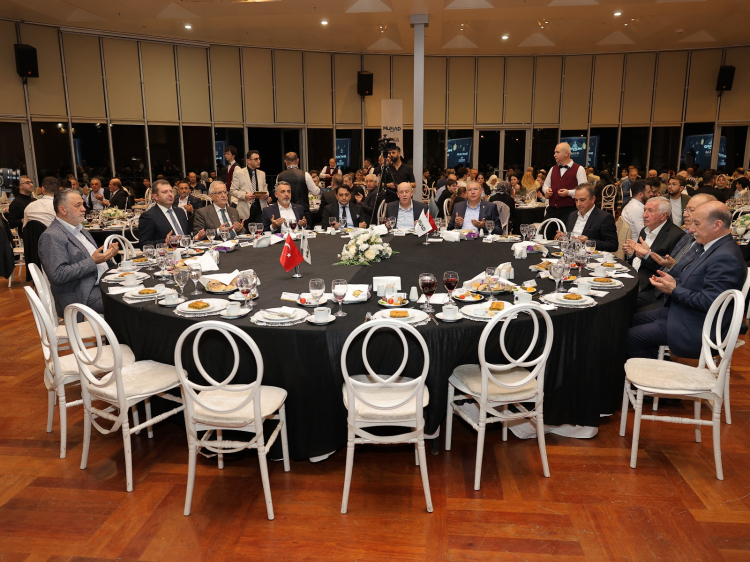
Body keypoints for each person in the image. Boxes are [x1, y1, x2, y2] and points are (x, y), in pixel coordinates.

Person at [627, 202, 747, 359]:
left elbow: (710, 301)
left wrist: (674, 289)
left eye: (697, 223)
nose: (691, 229)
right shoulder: (714, 247)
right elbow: (698, 283)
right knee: (628, 320)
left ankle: (653, 372)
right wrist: (674, 282)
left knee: (630, 337)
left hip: (696, 326)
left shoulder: (725, 257)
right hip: (684, 312)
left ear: (717, 225)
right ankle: (653, 361)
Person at [38, 189, 119, 316]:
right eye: (78, 205)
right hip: (81, 294)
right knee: (125, 305)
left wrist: (107, 256)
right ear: (63, 210)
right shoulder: (52, 236)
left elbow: (93, 259)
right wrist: (93, 261)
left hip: (101, 284)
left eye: (83, 204)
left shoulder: (80, 229)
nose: (84, 209)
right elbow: (57, 275)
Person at [636, 193, 715, 311]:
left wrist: (670, 266)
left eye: (691, 210)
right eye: (685, 210)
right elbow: (670, 261)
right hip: (660, 289)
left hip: (675, 298)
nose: (685, 214)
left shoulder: (705, 244)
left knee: (634, 315)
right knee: (624, 304)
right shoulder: (688, 236)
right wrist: (648, 255)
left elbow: (692, 280)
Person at [624, 197, 686, 291]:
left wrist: (646, 255)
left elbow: (667, 269)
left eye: (650, 211)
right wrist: (631, 253)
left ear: (663, 216)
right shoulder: (644, 230)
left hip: (650, 285)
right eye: (644, 210)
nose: (644, 215)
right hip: (632, 275)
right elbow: (637, 257)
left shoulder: (676, 235)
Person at [139, 180, 202, 247]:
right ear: (156, 196)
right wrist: (165, 242)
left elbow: (185, 235)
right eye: (165, 192)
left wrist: (195, 238)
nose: (170, 194)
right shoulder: (149, 216)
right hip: (168, 252)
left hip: (188, 250)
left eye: (171, 191)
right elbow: (143, 244)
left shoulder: (180, 211)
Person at [557, 184, 618, 252]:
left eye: (582, 200)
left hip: (591, 256)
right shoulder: (572, 215)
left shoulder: (604, 217)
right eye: (576, 200)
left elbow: (613, 245)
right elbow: (571, 239)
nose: (578, 204)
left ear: (592, 199)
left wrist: (588, 241)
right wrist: (565, 237)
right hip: (571, 254)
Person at [541, 143, 587, 228]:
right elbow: (545, 186)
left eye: (557, 152)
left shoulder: (579, 169)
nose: (554, 155)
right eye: (554, 152)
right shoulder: (553, 169)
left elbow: (584, 190)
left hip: (570, 210)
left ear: (566, 153)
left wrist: (568, 193)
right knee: (544, 232)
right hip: (552, 209)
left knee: (566, 234)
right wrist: (547, 191)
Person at [276, 152, 319, 224]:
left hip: (284, 211)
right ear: (298, 160)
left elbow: (277, 193)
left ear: (285, 162)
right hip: (302, 211)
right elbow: (315, 192)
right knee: (304, 229)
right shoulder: (305, 175)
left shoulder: (279, 176)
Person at [230, 149, 269, 222]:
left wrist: (266, 195)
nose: (258, 161)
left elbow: (265, 189)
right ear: (248, 161)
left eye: (259, 159)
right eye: (256, 159)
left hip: (260, 208)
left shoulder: (262, 174)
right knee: (246, 229)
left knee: (260, 228)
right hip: (245, 209)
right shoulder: (239, 173)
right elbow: (232, 191)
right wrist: (245, 195)